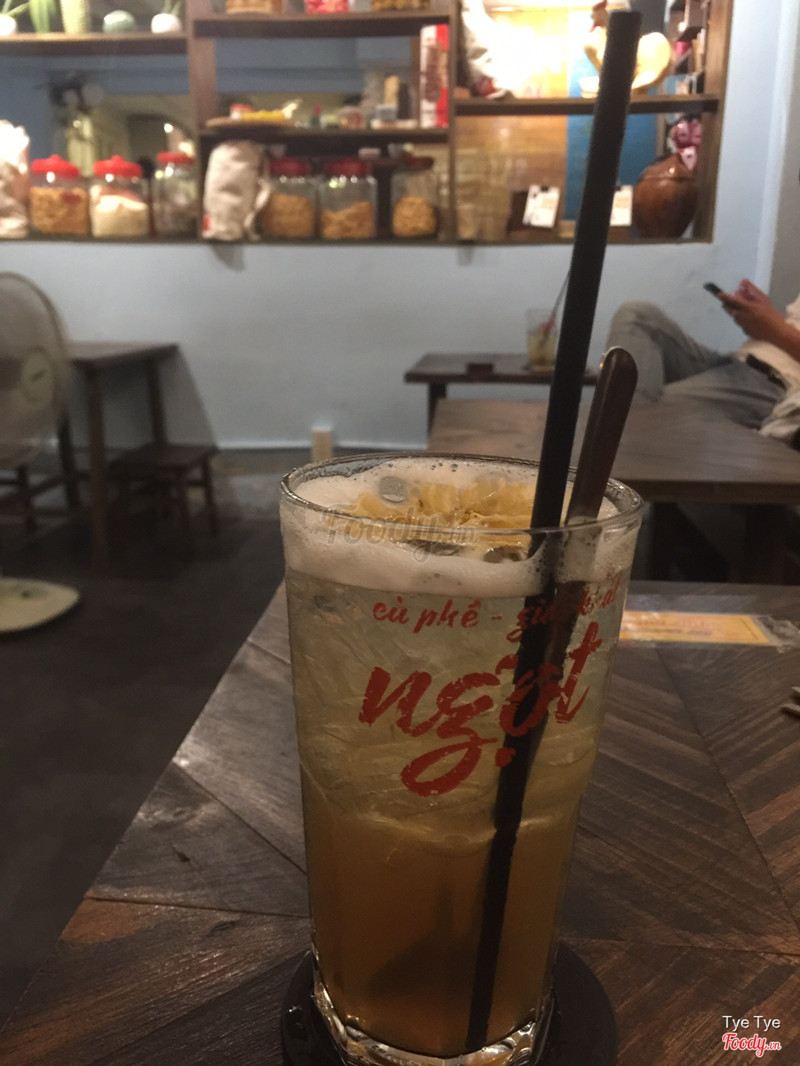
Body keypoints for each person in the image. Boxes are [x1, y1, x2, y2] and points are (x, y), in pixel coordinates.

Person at [606, 280, 800, 435]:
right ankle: (620, 434)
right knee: (637, 315)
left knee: (652, 413)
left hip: (774, 383)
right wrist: (761, 314)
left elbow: (778, 330)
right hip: (736, 362)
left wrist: (773, 327)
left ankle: (615, 442)